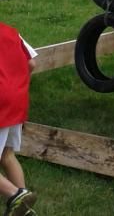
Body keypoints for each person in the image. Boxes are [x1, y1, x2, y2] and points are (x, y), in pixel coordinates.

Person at [0, 23, 38, 216]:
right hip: (17, 98)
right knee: (7, 155)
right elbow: (31, 63)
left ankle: (15, 195)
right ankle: (24, 210)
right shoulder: (10, 31)